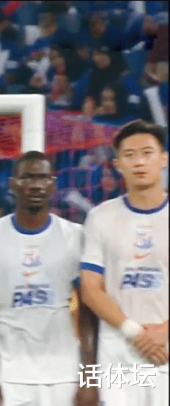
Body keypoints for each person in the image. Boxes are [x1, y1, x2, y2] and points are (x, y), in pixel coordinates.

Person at [0, 151, 98, 406]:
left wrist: (90, 379)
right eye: (27, 177)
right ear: (13, 184)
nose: (36, 185)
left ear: (53, 184)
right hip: (8, 376)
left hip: (65, 374)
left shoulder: (75, 236)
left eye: (42, 178)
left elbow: (88, 316)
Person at [80, 119, 169, 406]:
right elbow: (90, 289)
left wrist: (165, 331)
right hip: (120, 354)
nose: (139, 162)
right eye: (130, 155)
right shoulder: (100, 217)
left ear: (163, 158)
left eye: (147, 153)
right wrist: (135, 332)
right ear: (118, 164)